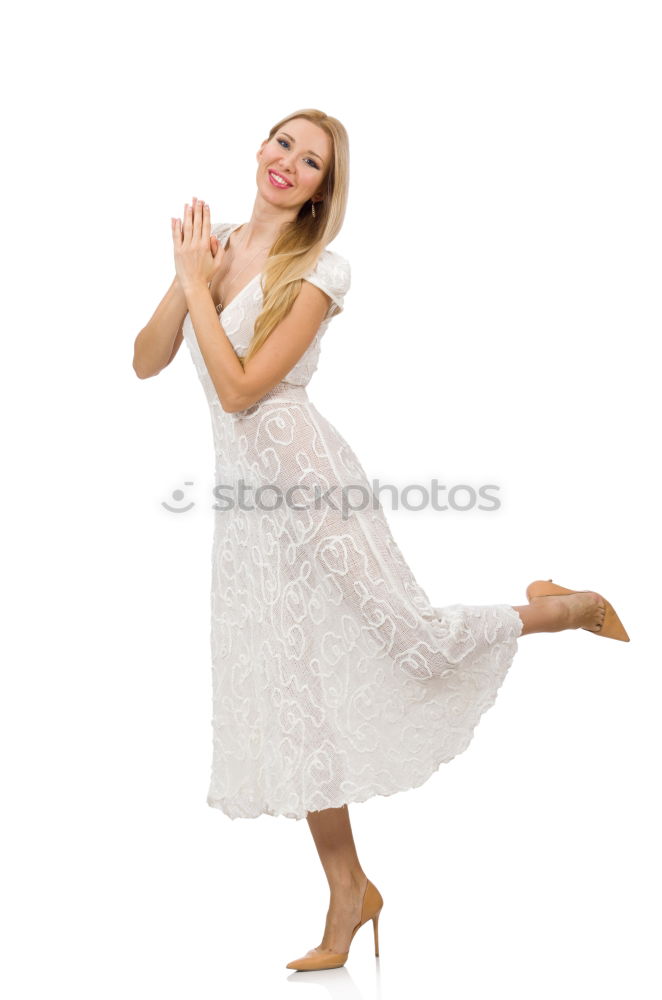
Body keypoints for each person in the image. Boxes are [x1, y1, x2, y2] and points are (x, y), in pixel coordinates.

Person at [132, 108, 630, 973]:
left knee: (415, 642)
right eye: (283, 143)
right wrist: (186, 280)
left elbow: (245, 389)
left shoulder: (320, 269)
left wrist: (201, 289)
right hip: (250, 517)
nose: (290, 162)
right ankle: (349, 892)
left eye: (312, 160)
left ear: (325, 188)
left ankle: (562, 607)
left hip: (311, 486)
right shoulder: (208, 254)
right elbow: (144, 360)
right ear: (260, 149)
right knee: (299, 699)